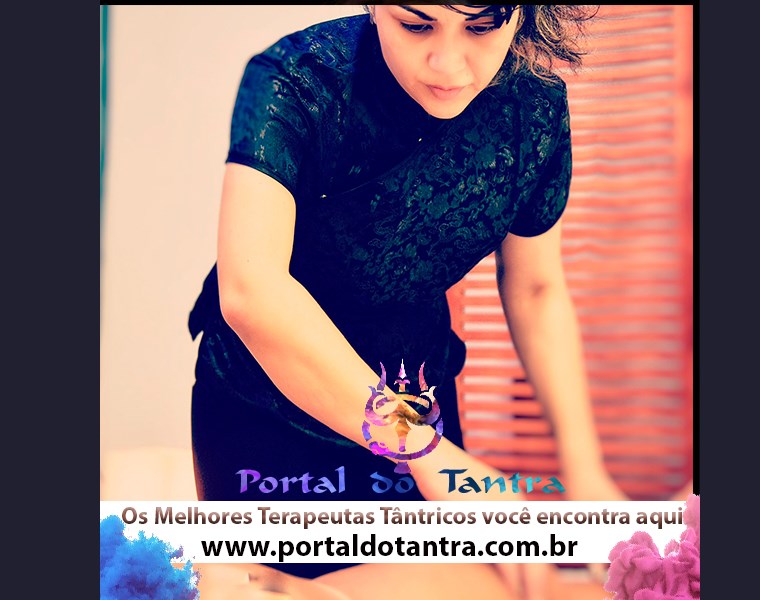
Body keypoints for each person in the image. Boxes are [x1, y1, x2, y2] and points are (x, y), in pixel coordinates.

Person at [187, 4, 624, 597]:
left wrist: (584, 469)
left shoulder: (535, 109)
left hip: (418, 393)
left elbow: (536, 288)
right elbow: (251, 292)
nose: (448, 64)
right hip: (274, 401)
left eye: (482, 27)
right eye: (416, 25)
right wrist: (426, 452)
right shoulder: (295, 79)